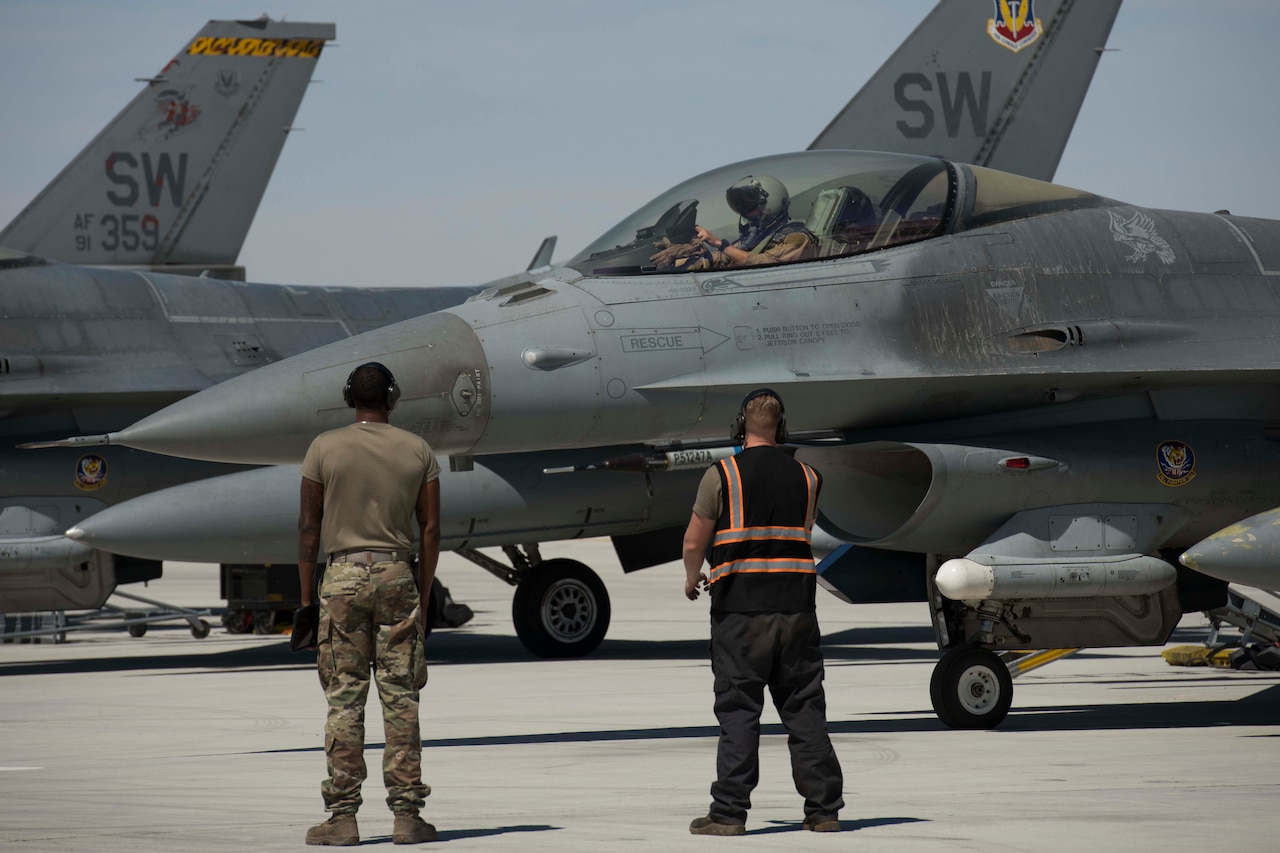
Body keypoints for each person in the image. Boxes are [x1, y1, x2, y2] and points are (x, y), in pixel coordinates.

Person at [682, 388, 844, 835]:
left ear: (739, 427)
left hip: (740, 615)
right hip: (796, 613)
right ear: (783, 428)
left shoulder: (723, 475)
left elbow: (696, 540)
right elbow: (801, 535)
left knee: (739, 711)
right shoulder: (809, 478)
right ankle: (823, 810)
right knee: (804, 708)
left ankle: (729, 814)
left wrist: (692, 577)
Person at [297, 361, 441, 846]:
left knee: (345, 697)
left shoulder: (323, 448)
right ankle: (407, 816)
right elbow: (430, 529)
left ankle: (342, 817)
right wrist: (423, 590)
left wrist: (304, 601)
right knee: (400, 696)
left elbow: (308, 529)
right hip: (398, 573)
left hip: (341, 578)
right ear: (393, 397)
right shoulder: (418, 450)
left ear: (347, 396)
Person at [687, 175, 817, 270]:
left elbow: (765, 262)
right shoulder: (757, 238)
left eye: (750, 206)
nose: (745, 213)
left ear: (771, 203)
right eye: (741, 207)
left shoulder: (797, 238)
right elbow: (722, 258)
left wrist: (719, 243)